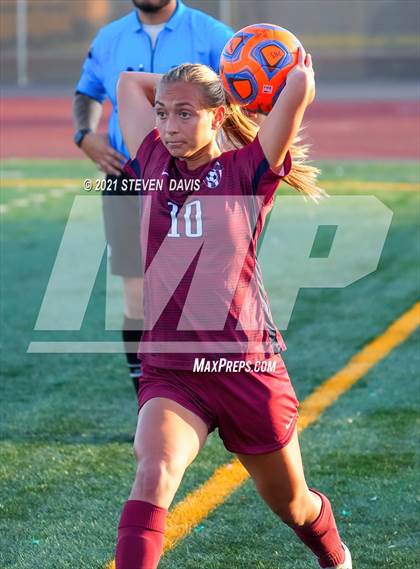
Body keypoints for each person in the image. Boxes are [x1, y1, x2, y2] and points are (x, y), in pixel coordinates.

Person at [114, 47, 352, 569]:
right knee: (153, 473)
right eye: (163, 112)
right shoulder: (153, 157)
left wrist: (239, 87)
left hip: (245, 366)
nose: (169, 125)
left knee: (293, 505)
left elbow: (296, 90)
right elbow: (132, 82)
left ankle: (336, 557)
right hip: (174, 369)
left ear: (218, 116)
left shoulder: (246, 170)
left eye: (185, 113)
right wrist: (191, 88)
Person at [72, 0, 233, 394]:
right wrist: (84, 135)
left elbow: (238, 99)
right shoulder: (110, 37)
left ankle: (206, 397)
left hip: (193, 182)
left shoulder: (212, 35)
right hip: (126, 180)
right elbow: (87, 91)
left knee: (204, 295)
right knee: (137, 300)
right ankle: (148, 402)